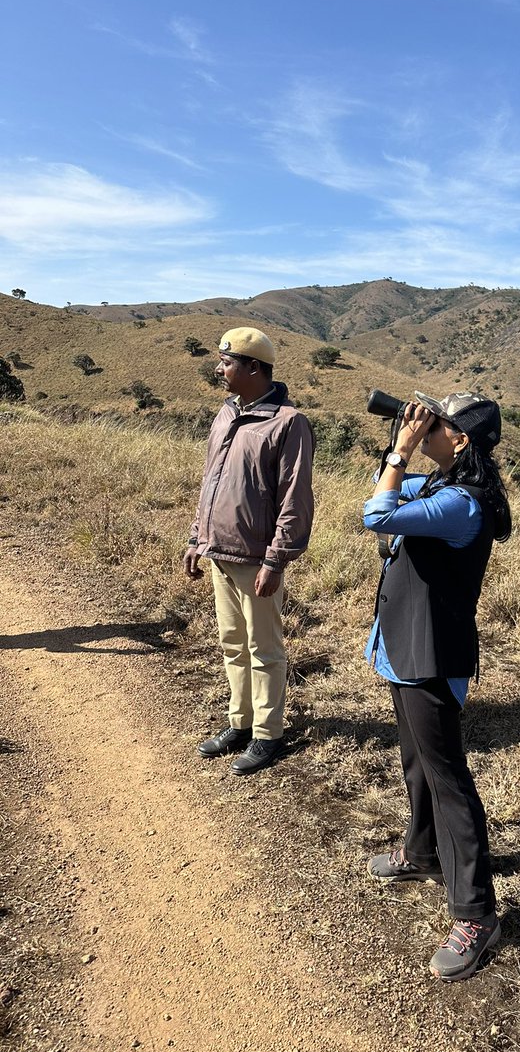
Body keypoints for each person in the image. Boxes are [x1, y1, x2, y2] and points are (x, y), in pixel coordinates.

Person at [362, 391, 512, 982]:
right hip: (404, 648)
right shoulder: (437, 486)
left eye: (438, 424)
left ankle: (476, 914)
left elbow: (375, 516)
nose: (426, 429)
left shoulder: (461, 504)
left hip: (430, 654)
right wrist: (397, 453)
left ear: (462, 440)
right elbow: (389, 506)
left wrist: (400, 450)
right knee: (416, 764)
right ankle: (423, 854)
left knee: (449, 779)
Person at [183, 327, 315, 776]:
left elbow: (295, 499)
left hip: (257, 560)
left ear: (253, 367)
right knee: (231, 644)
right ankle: (240, 723)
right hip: (219, 551)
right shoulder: (226, 414)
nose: (219, 369)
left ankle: (268, 733)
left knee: (264, 649)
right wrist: (195, 539)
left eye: (227, 362)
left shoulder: (288, 422)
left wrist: (276, 559)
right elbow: (211, 482)